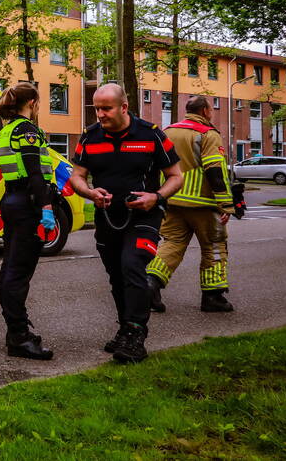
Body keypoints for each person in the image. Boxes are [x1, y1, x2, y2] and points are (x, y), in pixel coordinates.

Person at [68, 83, 183, 364]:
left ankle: (136, 334)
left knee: (133, 266)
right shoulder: (90, 136)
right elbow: (77, 176)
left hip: (144, 216)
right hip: (108, 217)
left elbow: (176, 176)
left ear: (123, 107)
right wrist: (90, 192)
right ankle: (124, 329)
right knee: (116, 276)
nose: (100, 114)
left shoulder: (151, 134)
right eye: (97, 108)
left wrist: (155, 197)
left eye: (106, 108)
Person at [147, 96, 238, 313]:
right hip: (203, 204)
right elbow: (215, 171)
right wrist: (226, 205)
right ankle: (213, 297)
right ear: (206, 111)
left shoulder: (167, 132)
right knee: (214, 246)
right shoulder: (208, 134)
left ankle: (149, 286)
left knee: (171, 244)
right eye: (211, 109)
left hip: (171, 200)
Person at [0, 82, 55, 360]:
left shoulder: (5, 131)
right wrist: (47, 208)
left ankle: (14, 330)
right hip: (27, 203)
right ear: (32, 102)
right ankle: (19, 337)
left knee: (10, 268)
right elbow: (35, 174)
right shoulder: (27, 130)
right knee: (19, 273)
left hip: (11, 201)